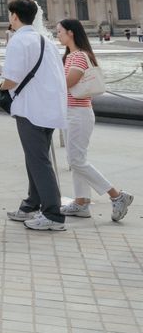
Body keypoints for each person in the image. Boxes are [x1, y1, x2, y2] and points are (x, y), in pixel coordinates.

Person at [1, 0, 69, 231]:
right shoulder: (45, 40)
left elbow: (11, 78)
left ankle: (53, 215)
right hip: (49, 108)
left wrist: (2, 88)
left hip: (31, 109)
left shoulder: (18, 41)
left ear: (14, 16)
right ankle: (31, 204)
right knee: (37, 158)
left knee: (39, 161)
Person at [56, 18, 132, 221]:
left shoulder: (80, 56)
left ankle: (117, 195)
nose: (58, 35)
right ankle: (81, 203)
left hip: (78, 114)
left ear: (71, 32)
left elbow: (67, 83)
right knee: (76, 160)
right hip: (70, 112)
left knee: (76, 160)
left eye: (60, 31)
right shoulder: (69, 56)